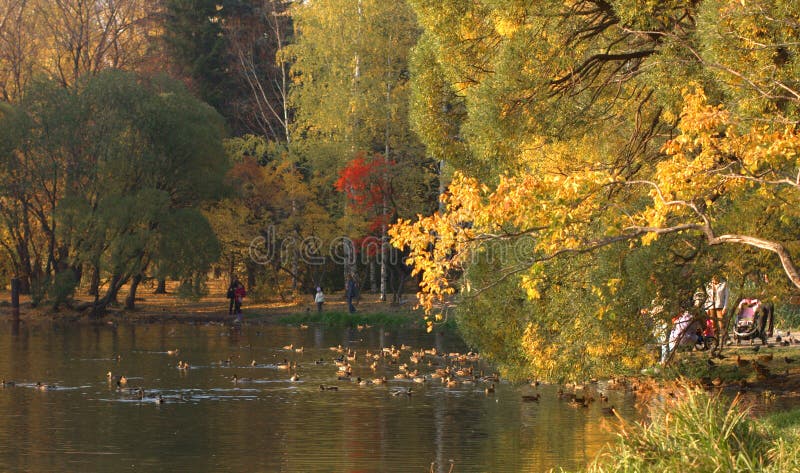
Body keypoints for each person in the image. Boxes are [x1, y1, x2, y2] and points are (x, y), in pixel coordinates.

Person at [704, 275, 729, 344]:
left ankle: (726, 339)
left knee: (722, 324)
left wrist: (725, 307)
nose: (714, 278)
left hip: (720, 306)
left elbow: (726, 297)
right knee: (713, 325)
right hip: (711, 306)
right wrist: (706, 308)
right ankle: (716, 340)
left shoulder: (724, 284)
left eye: (716, 276)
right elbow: (707, 297)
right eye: (713, 277)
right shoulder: (708, 285)